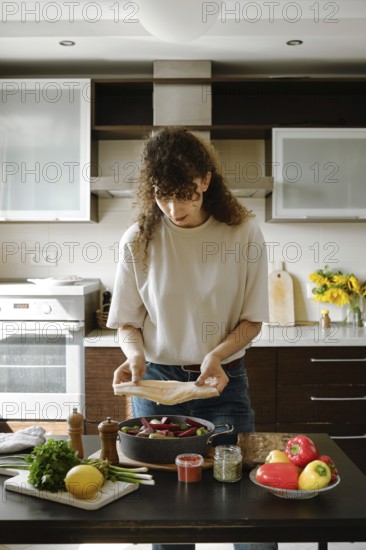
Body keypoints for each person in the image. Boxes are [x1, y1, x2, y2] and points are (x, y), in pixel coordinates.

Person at [107, 127, 277, 550]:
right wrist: (134, 355)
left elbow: (253, 321)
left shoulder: (243, 234)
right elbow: (127, 321)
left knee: (245, 509)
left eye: (184, 194)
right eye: (163, 195)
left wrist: (216, 355)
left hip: (223, 386)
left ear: (205, 180)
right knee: (166, 516)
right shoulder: (139, 240)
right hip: (158, 391)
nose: (172, 208)